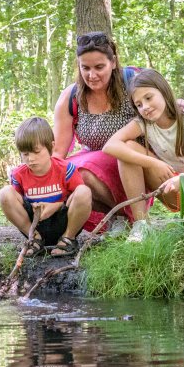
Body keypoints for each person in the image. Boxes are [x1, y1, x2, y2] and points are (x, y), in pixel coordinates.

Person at [103, 68, 184, 241]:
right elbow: (110, 145)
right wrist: (154, 163)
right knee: (127, 149)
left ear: (163, 91)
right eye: (139, 104)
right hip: (172, 185)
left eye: (148, 98)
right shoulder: (144, 123)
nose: (145, 107)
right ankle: (141, 226)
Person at [53, 32, 143, 229]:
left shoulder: (134, 82)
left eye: (99, 67)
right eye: (85, 68)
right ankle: (115, 221)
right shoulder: (71, 96)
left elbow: (163, 110)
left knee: (82, 171)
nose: (92, 75)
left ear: (113, 62)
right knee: (64, 174)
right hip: (96, 167)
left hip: (134, 165)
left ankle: (137, 220)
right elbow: (58, 153)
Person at [0, 116, 92, 258]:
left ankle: (68, 239)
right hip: (35, 225)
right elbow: (15, 203)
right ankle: (34, 240)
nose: (31, 159)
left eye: (36, 152)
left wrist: (57, 205)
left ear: (51, 147)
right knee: (5, 193)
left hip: (63, 221)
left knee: (84, 191)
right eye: (25, 154)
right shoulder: (18, 175)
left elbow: (80, 199)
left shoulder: (66, 169)